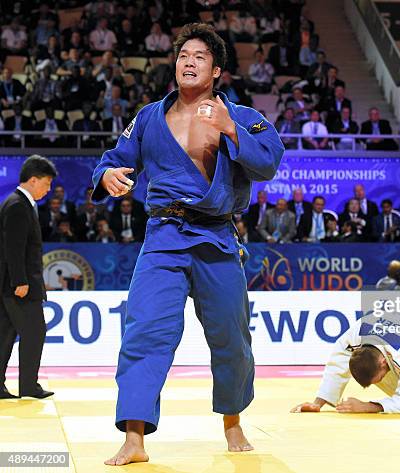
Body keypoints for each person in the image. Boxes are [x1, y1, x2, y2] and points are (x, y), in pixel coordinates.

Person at [91, 23, 283, 465]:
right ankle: (135, 436)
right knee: (144, 329)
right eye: (182, 56)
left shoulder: (243, 116)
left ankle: (232, 422)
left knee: (231, 336)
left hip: (216, 236)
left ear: (216, 70)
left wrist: (231, 128)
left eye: (198, 56)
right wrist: (106, 175)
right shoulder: (149, 117)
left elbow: (269, 161)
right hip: (164, 235)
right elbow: (114, 159)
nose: (189, 61)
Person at [0, 155, 57, 400]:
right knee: (35, 331)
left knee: (5, 334)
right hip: (18, 285)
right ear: (32, 180)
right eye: (46, 183)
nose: (48, 189)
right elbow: (14, 247)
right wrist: (20, 281)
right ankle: (29, 386)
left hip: (10, 283)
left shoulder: (18, 203)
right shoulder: (17, 205)